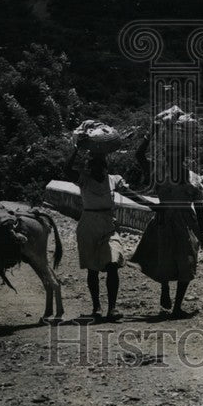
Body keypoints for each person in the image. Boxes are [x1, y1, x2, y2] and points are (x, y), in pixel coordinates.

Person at [68, 121, 156, 322]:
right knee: (92, 268)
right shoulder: (84, 179)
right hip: (89, 223)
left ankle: (112, 308)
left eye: (101, 164)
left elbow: (132, 195)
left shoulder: (113, 179)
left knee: (113, 263)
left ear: (106, 166)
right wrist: (75, 149)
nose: (98, 167)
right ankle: (97, 307)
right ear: (89, 166)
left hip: (108, 223)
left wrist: (152, 205)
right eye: (94, 164)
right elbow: (67, 170)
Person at [130, 117, 203, 319]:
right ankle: (164, 289)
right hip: (164, 220)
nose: (174, 158)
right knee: (163, 257)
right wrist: (151, 133)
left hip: (186, 223)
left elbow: (199, 206)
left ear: (183, 157)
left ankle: (178, 306)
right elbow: (138, 155)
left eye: (178, 154)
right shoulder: (160, 172)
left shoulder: (193, 178)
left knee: (187, 262)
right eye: (170, 154)